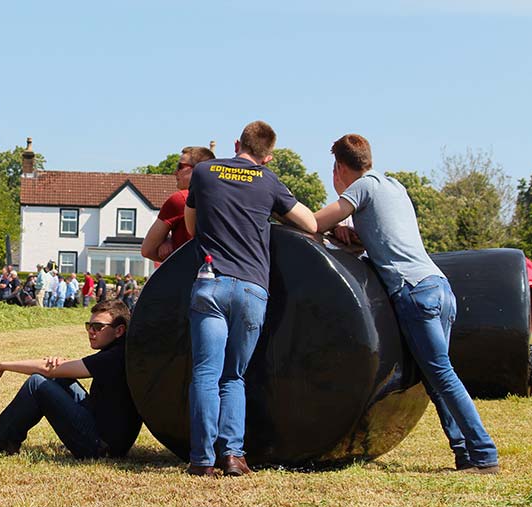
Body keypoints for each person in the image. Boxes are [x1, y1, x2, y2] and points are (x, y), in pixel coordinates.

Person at [313, 134, 499, 474]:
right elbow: (387, 240)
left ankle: (485, 454)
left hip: (414, 292)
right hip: (437, 285)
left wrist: (323, 226)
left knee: (442, 374)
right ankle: (465, 454)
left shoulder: (362, 187)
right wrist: (353, 236)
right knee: (434, 376)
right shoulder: (393, 186)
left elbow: (313, 223)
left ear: (338, 167)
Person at [183, 121, 317, 477]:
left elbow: (191, 228)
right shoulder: (268, 181)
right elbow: (310, 223)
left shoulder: (204, 171)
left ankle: (201, 460)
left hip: (210, 285)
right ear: (268, 157)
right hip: (251, 289)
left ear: (236, 143)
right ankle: (233, 456)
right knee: (234, 377)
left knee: (205, 374)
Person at [0, 300, 142, 459]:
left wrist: (3, 366)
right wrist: (58, 365)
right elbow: (64, 369)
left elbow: (48, 371)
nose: (91, 331)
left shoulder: (114, 357)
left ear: (119, 330)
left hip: (101, 447)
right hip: (109, 436)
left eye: (97, 327)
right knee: (59, 379)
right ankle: (3, 441)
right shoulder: (121, 351)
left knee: (37, 383)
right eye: (89, 325)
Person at [142, 146, 216, 262]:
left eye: (180, 166)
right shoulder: (225, 197)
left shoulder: (180, 199)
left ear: (197, 169)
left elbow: (147, 250)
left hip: (188, 275)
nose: (175, 171)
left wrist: (170, 248)